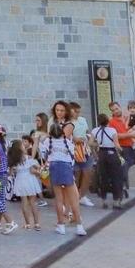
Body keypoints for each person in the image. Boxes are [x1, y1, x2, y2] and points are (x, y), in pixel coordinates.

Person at [39, 101, 86, 236]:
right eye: (57, 110)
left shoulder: (66, 126)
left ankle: (64, 224)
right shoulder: (60, 129)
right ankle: (77, 225)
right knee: (69, 197)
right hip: (63, 164)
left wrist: (44, 137)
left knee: (64, 198)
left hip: (56, 164)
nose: (59, 112)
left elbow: (55, 137)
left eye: (62, 110)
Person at [111, 101, 135, 207]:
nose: (115, 111)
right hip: (125, 149)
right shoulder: (112, 122)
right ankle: (118, 198)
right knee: (122, 174)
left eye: (116, 108)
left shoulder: (130, 116)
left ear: (120, 107)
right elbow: (116, 136)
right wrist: (129, 135)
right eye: (113, 110)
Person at [91, 113, 124, 209]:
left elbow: (90, 143)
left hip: (101, 154)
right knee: (116, 177)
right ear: (107, 121)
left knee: (103, 177)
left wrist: (98, 145)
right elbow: (116, 145)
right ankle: (116, 202)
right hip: (112, 154)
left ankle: (104, 201)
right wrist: (122, 151)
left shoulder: (95, 130)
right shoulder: (112, 130)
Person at [9, 138, 43, 230]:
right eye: (23, 146)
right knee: (33, 202)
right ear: (21, 148)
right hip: (30, 180)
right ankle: (37, 224)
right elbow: (34, 169)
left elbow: (11, 173)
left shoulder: (14, 160)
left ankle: (27, 224)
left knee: (24, 203)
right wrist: (38, 170)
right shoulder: (28, 158)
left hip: (20, 180)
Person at [68, 102, 95, 208]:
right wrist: (75, 139)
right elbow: (67, 135)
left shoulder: (82, 120)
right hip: (74, 149)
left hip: (85, 148)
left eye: (79, 111)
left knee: (87, 172)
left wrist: (90, 141)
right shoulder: (67, 122)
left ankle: (82, 196)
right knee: (76, 173)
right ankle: (74, 196)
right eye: (76, 111)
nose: (78, 114)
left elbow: (88, 132)